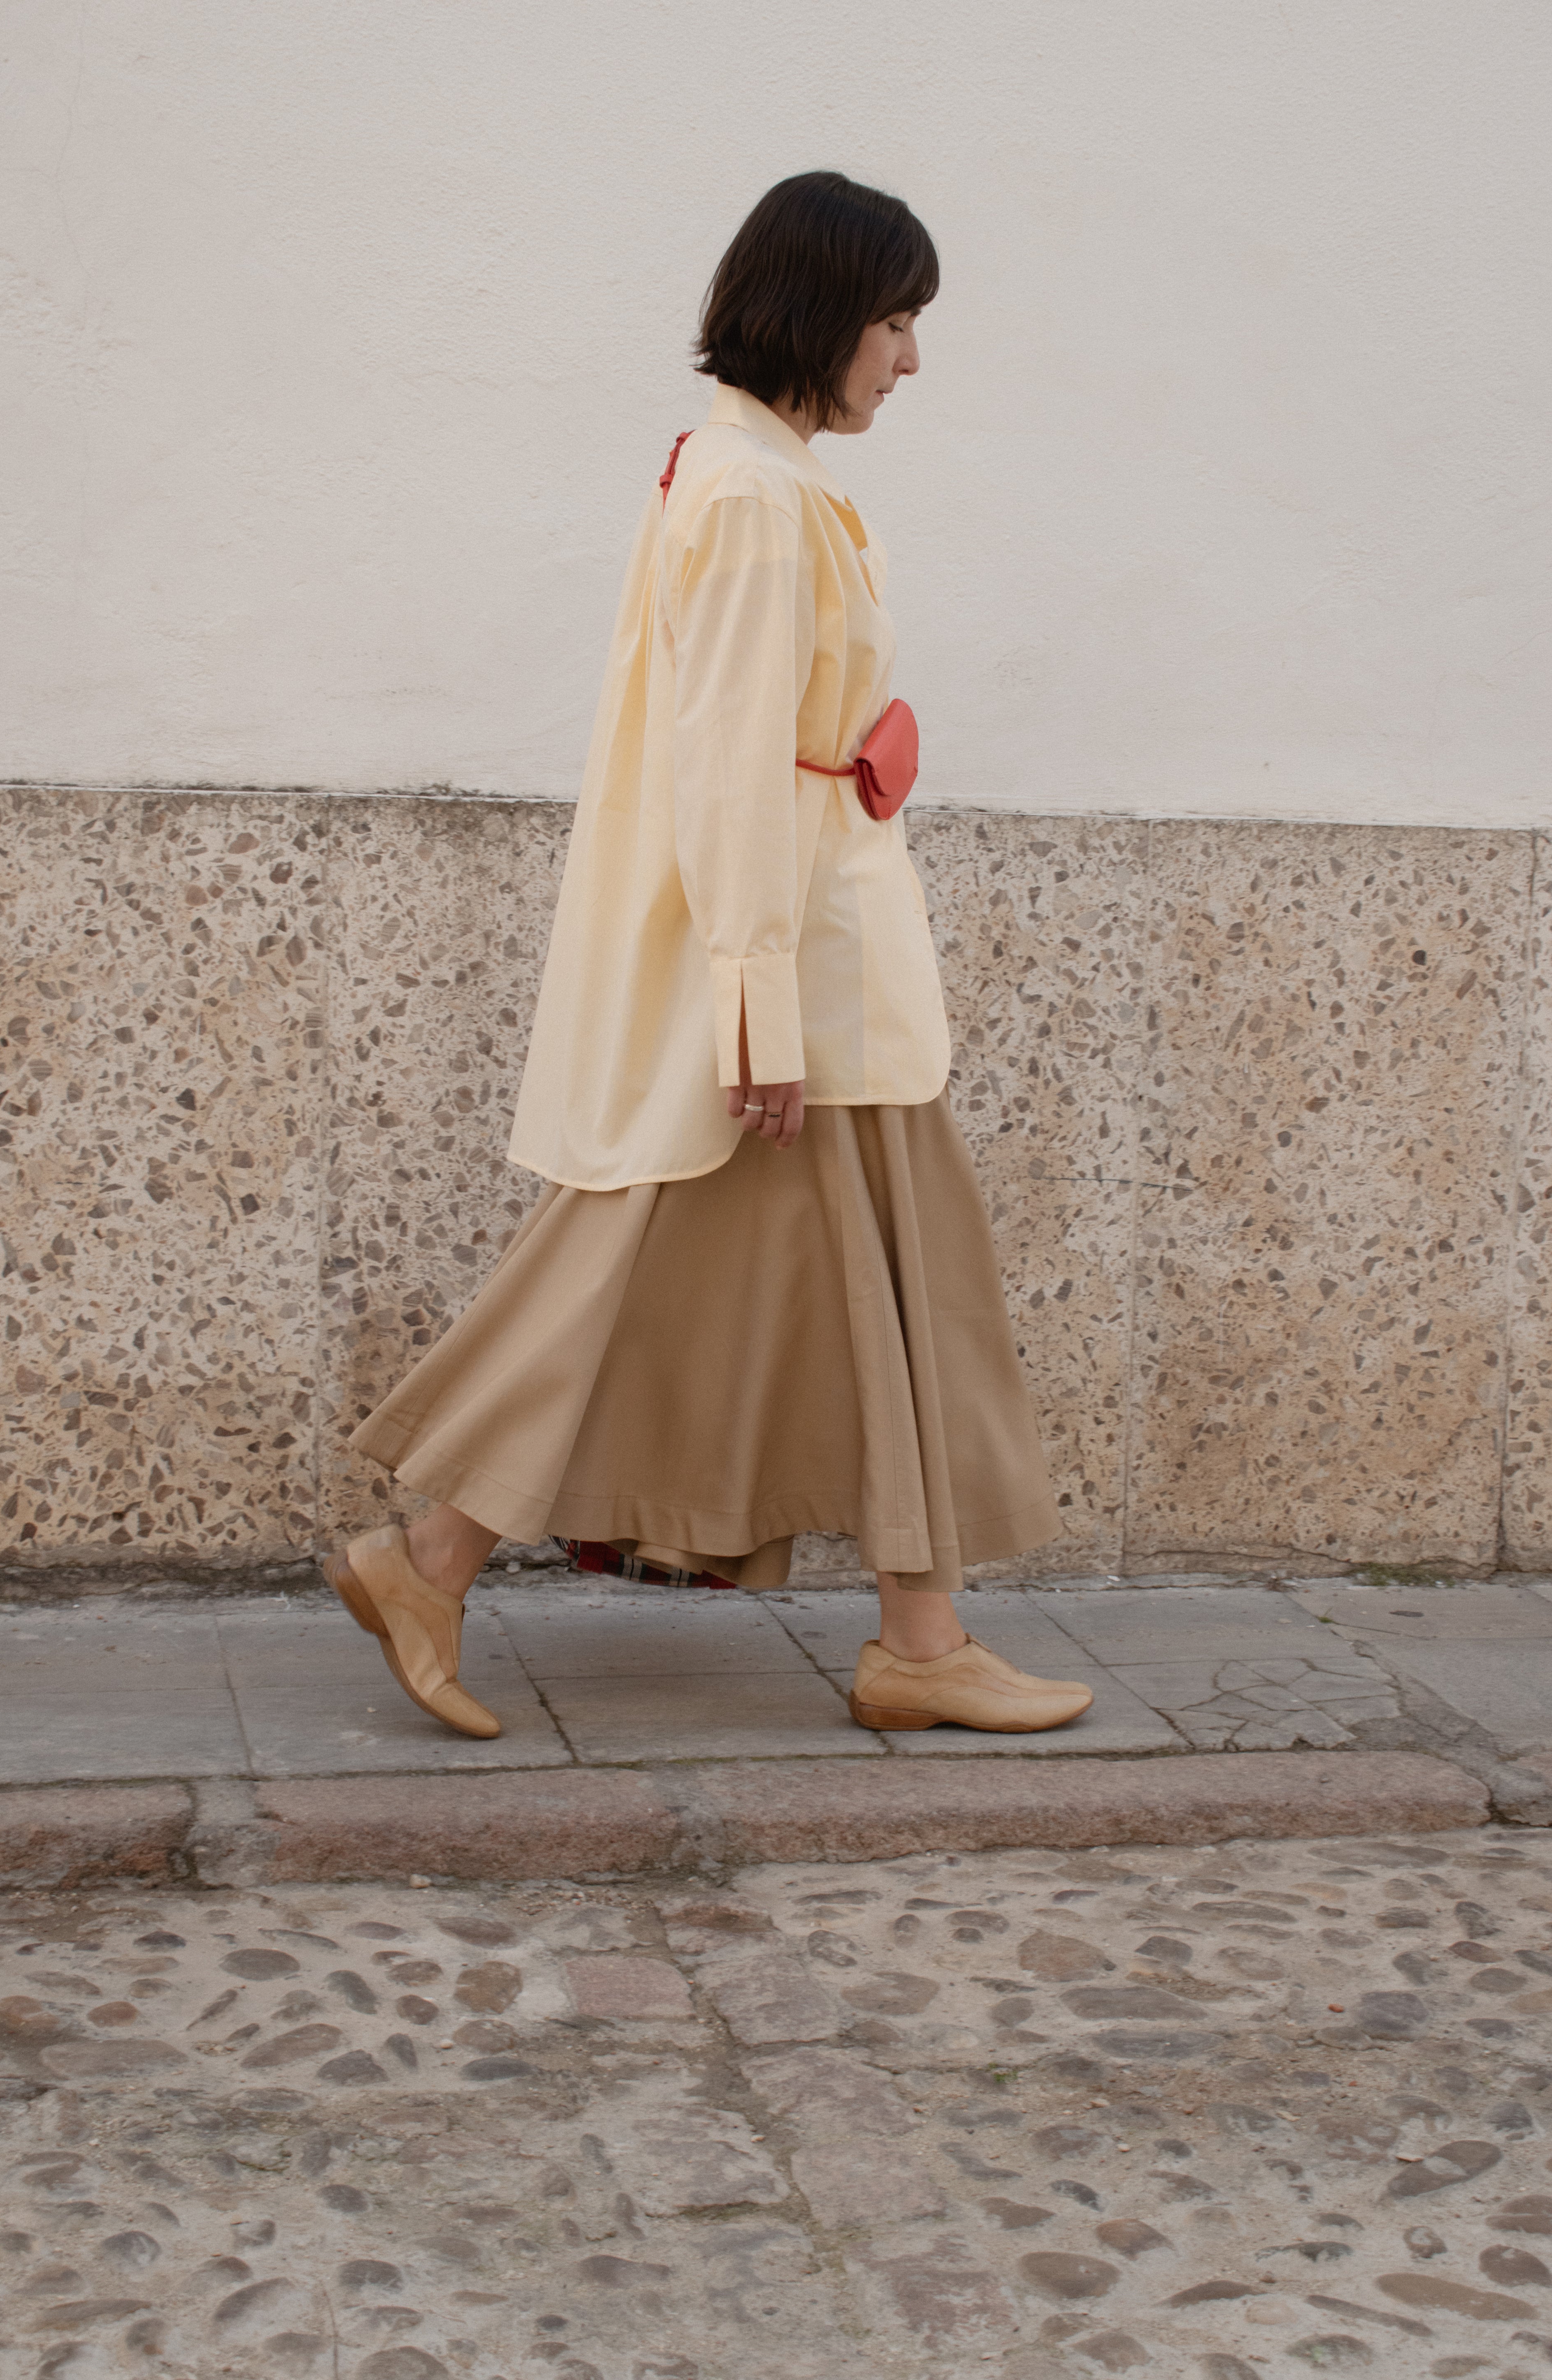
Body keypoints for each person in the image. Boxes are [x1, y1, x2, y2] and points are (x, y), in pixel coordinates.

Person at [324, 171, 1092, 1743]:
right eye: (898, 322)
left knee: (788, 1280)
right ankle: (449, 1556)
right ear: (827, 315)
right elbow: (731, 766)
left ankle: (902, 1633)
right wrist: (756, 1005)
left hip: (822, 965)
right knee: (754, 1278)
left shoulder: (757, 478)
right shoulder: (752, 497)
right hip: (803, 972)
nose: (912, 361)